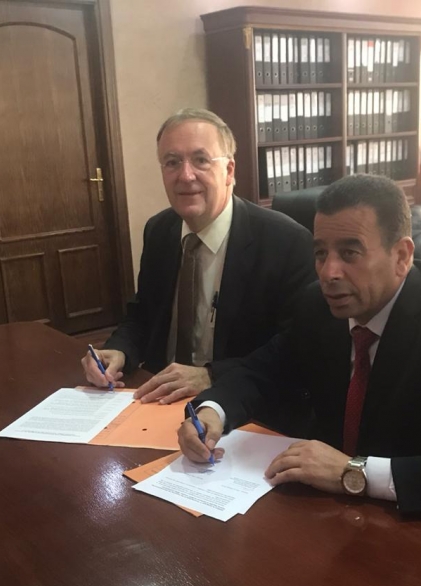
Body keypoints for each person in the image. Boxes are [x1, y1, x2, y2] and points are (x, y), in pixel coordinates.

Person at [178, 174, 421, 530]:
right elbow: (262, 371)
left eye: (350, 253)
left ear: (402, 256)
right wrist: (212, 412)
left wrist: (353, 472)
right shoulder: (318, 305)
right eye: (320, 253)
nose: (329, 272)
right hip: (337, 520)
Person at [83, 108, 315, 405]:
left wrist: (211, 375)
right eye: (172, 162)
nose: (185, 175)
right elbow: (143, 314)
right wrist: (118, 350)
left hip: (240, 404)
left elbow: (294, 348)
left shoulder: (286, 242)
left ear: (229, 171)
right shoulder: (160, 230)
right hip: (159, 398)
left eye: (201, 160)